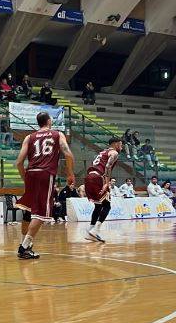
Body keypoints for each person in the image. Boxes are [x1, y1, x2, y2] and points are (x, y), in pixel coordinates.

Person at [14, 111, 75, 259]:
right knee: (41, 214)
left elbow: (19, 162)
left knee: (29, 211)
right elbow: (68, 153)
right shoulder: (57, 134)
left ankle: (26, 244)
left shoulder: (29, 137)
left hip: (31, 173)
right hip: (45, 174)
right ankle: (24, 247)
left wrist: (25, 179)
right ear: (48, 121)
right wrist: (70, 173)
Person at [82, 137, 122, 243]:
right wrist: (107, 183)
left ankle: (91, 230)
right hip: (98, 178)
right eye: (121, 144)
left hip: (89, 177)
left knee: (98, 205)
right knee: (107, 205)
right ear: (116, 144)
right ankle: (96, 230)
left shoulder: (103, 152)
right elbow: (108, 166)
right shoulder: (114, 153)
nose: (121, 147)